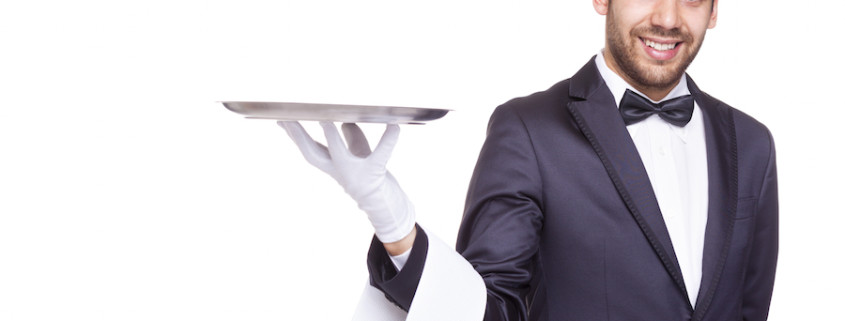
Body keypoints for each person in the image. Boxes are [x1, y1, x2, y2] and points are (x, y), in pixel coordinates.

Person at [279, 0, 778, 320]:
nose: (668, 18)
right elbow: (489, 310)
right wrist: (393, 222)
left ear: (715, 9)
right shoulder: (528, 131)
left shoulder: (752, 144)